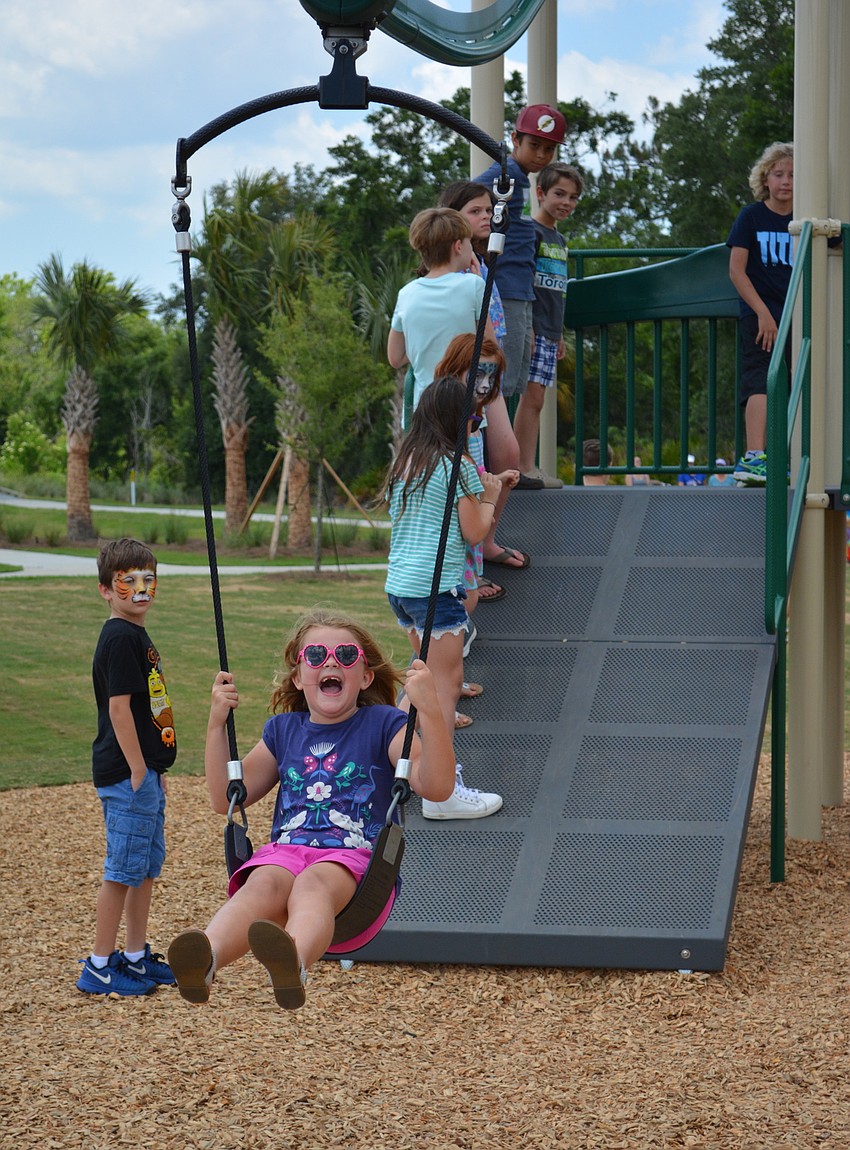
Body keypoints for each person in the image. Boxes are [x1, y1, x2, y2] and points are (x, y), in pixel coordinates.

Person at [168, 610, 455, 1010]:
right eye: (316, 654)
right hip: (285, 851)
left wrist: (430, 713)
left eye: (346, 655)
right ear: (299, 677)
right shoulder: (283, 731)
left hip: (352, 857)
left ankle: (293, 962)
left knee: (313, 884)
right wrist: (216, 726)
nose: (331, 661)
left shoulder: (385, 725)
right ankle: (206, 958)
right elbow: (226, 797)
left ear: (366, 676)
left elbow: (438, 787)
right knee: (262, 884)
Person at [382, 375, 504, 819]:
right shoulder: (459, 466)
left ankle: (395, 766)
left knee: (418, 684)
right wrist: (491, 496)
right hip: (436, 590)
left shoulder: (406, 463)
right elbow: (474, 533)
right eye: (472, 417)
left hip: (401, 588)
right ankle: (443, 791)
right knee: (443, 688)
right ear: (458, 419)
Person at [76, 538, 177, 997]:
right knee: (122, 869)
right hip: (128, 774)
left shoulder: (134, 633)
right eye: (128, 580)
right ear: (105, 589)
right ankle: (99, 965)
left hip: (146, 774)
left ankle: (134, 956)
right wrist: (137, 769)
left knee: (144, 866)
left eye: (148, 579)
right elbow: (119, 710)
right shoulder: (119, 636)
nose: (140, 589)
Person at [475, 103, 568, 493]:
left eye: (549, 149)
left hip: (521, 292)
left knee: (510, 378)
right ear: (515, 140)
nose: (542, 155)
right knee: (498, 380)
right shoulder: (505, 172)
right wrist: (476, 256)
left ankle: (501, 467)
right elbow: (463, 201)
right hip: (508, 289)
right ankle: (489, 469)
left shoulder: (516, 176)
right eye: (535, 145)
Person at [438, 181, 526, 569]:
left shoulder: (482, 264)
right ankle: (467, 560)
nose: (485, 217)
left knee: (508, 453)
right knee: (466, 466)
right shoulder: (447, 271)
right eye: (475, 211)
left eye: (488, 210)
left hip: (487, 374)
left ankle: (488, 538)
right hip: (459, 382)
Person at [433, 332, 520, 612]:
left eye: (491, 378)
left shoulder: (476, 418)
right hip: (457, 522)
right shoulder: (448, 418)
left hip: (470, 512)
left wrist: (495, 479)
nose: (484, 386)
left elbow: (473, 465)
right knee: (461, 583)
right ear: (454, 371)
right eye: (477, 375)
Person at [727, 142, 794, 485]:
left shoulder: (806, 220)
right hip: (761, 315)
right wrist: (763, 313)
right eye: (778, 174)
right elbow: (737, 271)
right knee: (760, 380)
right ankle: (755, 457)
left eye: (794, 175)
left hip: (798, 315)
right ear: (765, 179)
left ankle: (791, 457)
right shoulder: (751, 216)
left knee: (800, 381)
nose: (786, 181)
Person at [388, 207, 496, 417]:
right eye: (469, 243)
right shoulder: (474, 285)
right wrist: (477, 280)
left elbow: (395, 357)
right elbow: (489, 347)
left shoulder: (406, 293)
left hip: (424, 411)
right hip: (464, 408)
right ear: (458, 246)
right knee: (465, 451)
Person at [514, 162, 583, 488]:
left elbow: (557, 290)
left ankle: (527, 464)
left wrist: (558, 335)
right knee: (532, 398)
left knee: (537, 398)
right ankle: (523, 465)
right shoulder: (530, 232)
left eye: (573, 197)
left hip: (549, 331)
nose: (566, 202)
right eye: (559, 194)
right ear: (540, 193)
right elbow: (525, 284)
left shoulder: (560, 239)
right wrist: (528, 327)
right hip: (533, 327)